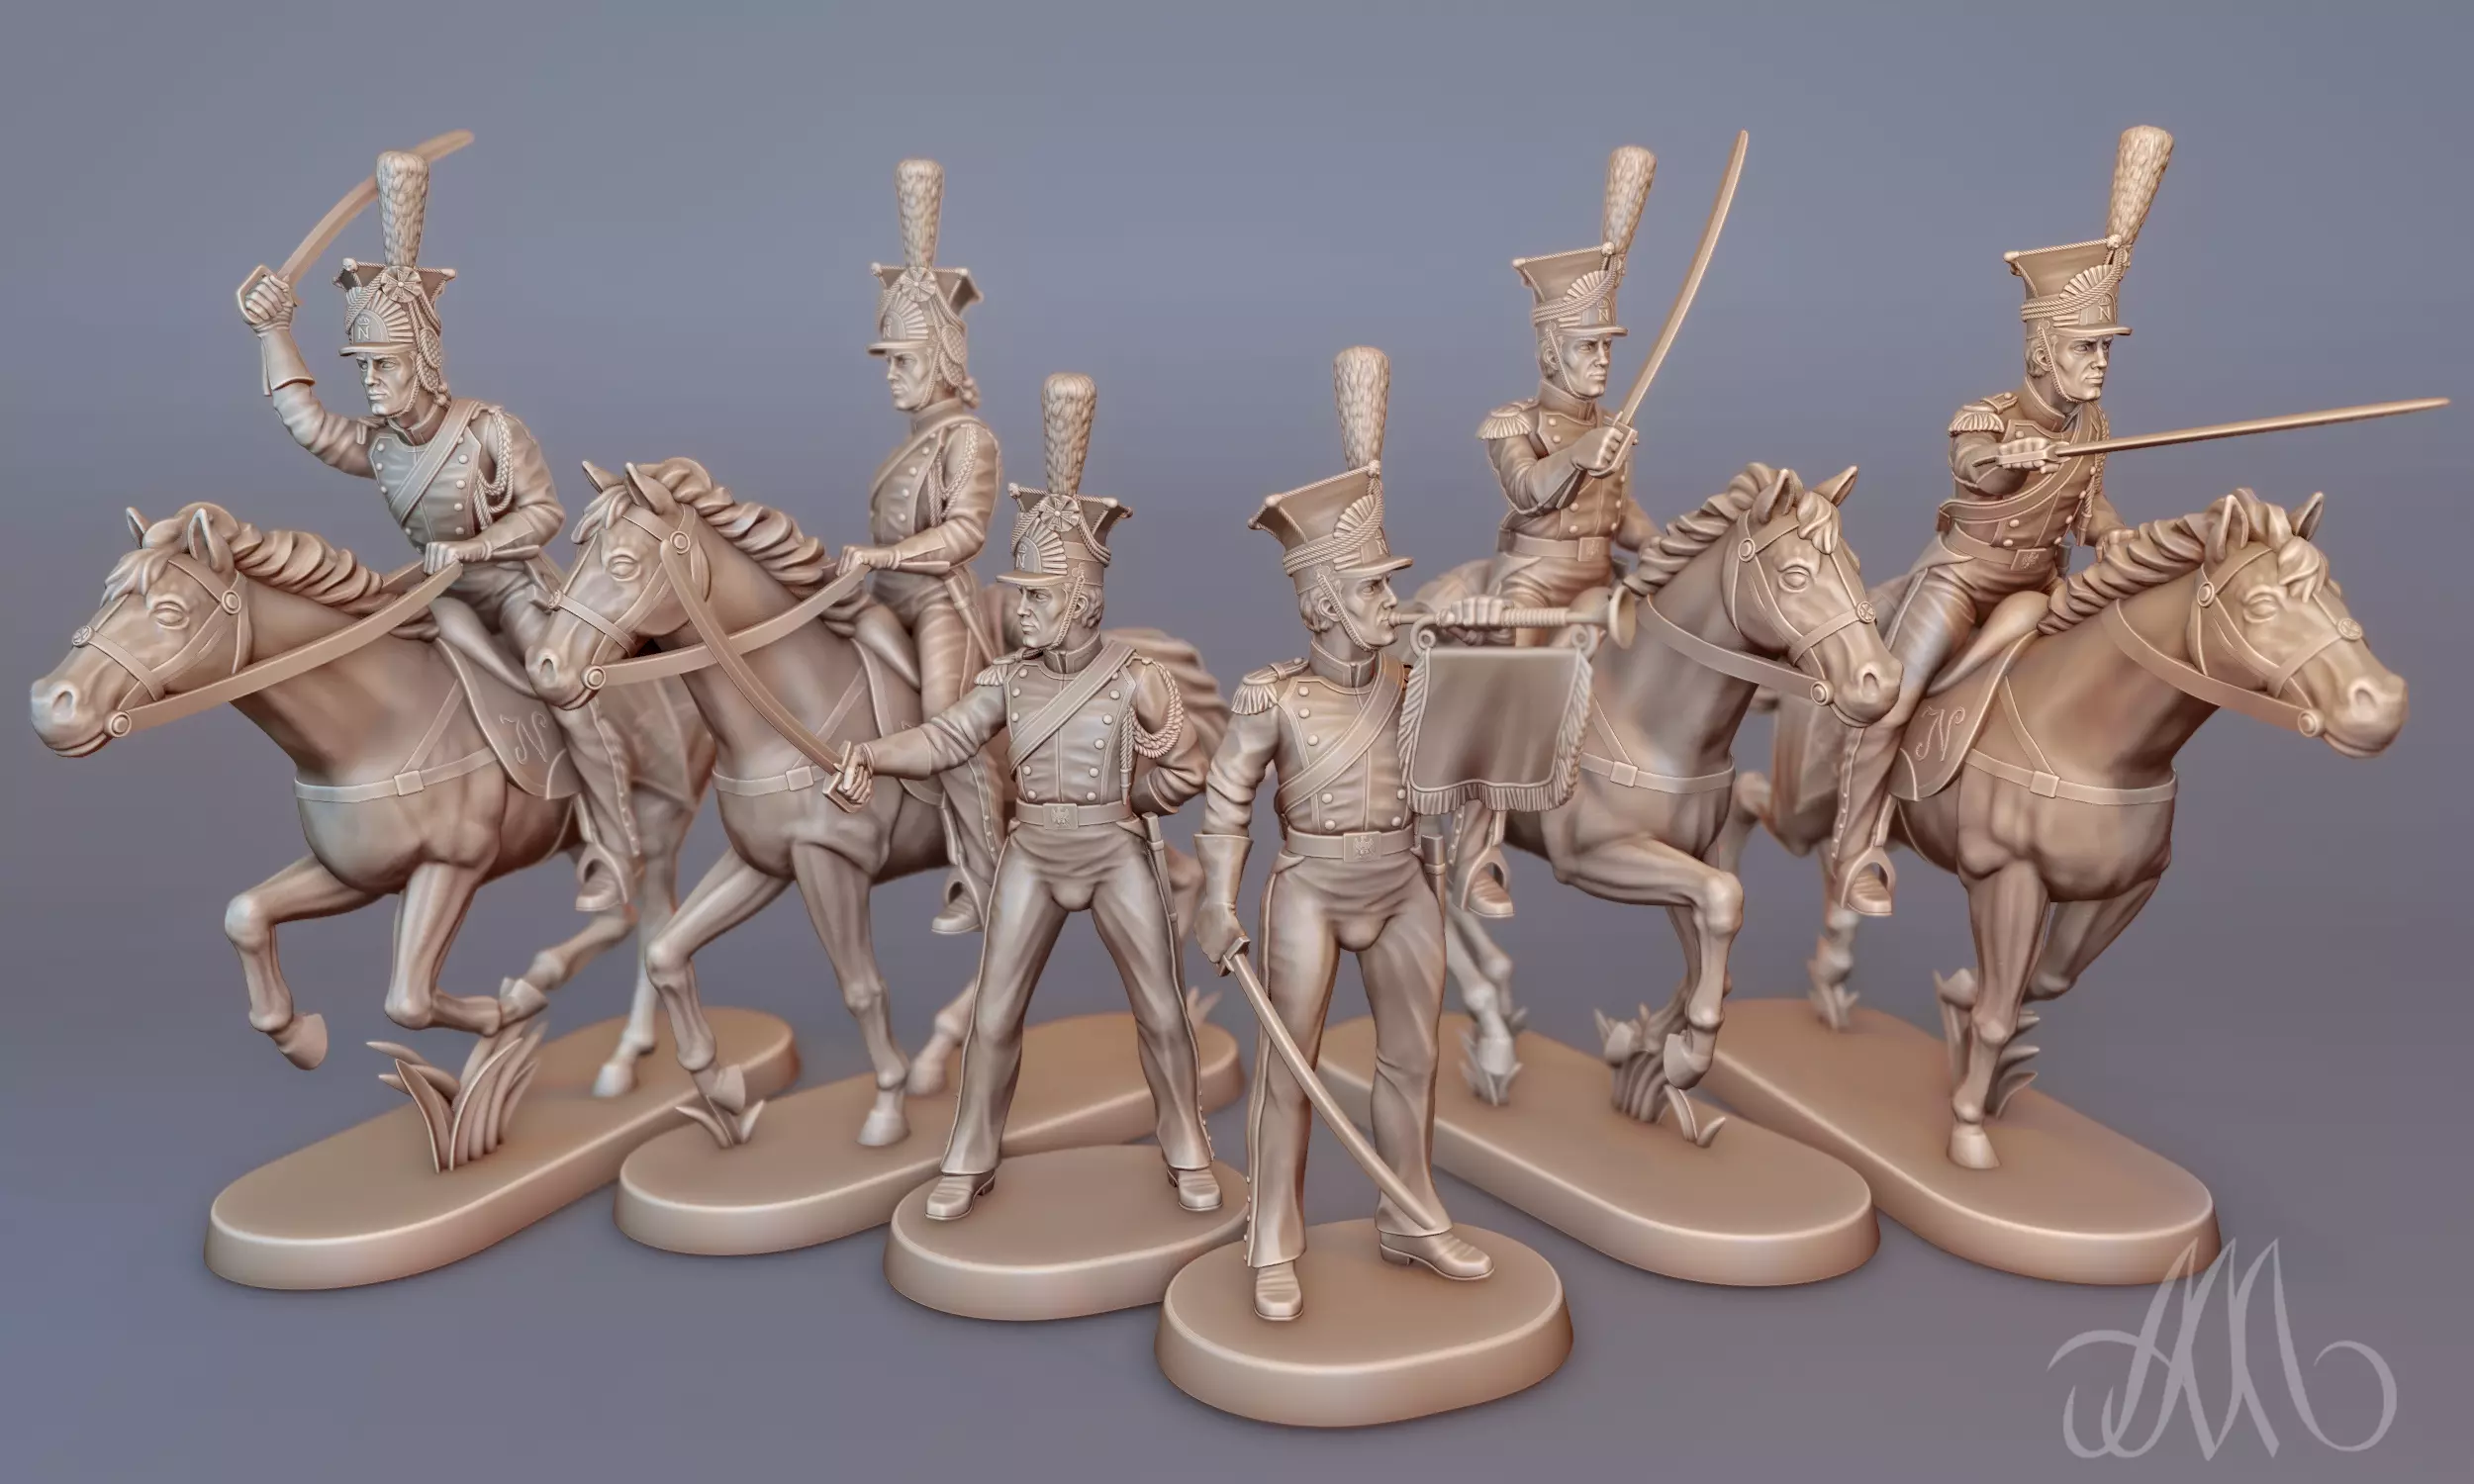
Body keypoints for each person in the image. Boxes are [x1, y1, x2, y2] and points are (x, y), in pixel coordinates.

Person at [828, 374, 1217, 1222]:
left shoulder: (1140, 680)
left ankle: (1186, 1145)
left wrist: (1137, 799)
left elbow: (1188, 773)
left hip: (1114, 851)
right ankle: (969, 1156)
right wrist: (870, 752)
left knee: (1160, 1013)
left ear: (1081, 602)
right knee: (996, 1018)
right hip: (1033, 854)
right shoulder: (1005, 679)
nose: (1021, 609)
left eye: (1038, 597)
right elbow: (945, 738)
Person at [238, 149, 635, 911]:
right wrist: (273, 332)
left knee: (563, 688)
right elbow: (310, 425)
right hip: (435, 592)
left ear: (421, 360)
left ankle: (612, 846)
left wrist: (475, 547)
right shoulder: (381, 447)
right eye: (363, 368)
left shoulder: (489, 430)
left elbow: (545, 514)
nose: (370, 382)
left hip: (511, 588)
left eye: (384, 365)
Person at [1195, 346, 1490, 1323]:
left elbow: (1472, 763)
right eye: (1370, 591)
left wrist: (1489, 657)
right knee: (1290, 1069)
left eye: (1387, 587)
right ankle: (1273, 1240)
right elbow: (1226, 801)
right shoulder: (1271, 697)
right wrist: (1215, 902)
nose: (1389, 605)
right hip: (1312, 890)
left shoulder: (1415, 684)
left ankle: (1410, 1217)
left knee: (1416, 1059)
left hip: (1403, 884)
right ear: (1321, 604)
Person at [1825, 127, 2170, 917]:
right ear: (2044, 352)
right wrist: (2014, 458)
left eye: (2106, 348)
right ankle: (1855, 851)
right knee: (1892, 698)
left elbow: (2087, 507)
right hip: (1962, 580)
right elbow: (1975, 469)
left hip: (2037, 590)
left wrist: (2114, 534)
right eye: (2086, 348)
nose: (2101, 362)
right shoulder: (1985, 415)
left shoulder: (2093, 426)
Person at [836, 158, 1004, 936]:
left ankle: (982, 875)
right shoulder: (908, 445)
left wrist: (884, 559)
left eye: (904, 360)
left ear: (940, 358)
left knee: (947, 720)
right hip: (884, 599)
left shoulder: (970, 440)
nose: (892, 376)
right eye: (890, 361)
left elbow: (966, 535)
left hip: (937, 601)